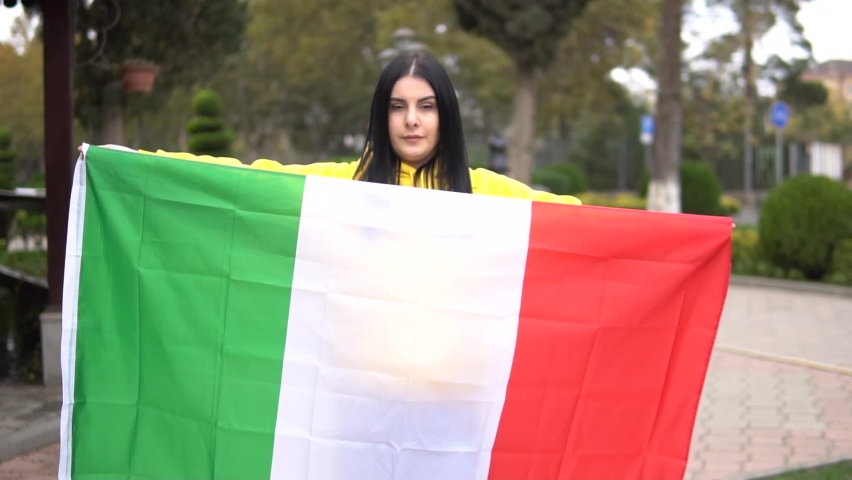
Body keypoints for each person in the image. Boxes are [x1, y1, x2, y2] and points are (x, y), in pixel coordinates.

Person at [91, 51, 581, 206]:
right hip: (360, 393)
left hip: (458, 397)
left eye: (426, 106)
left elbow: (583, 226)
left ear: (445, 116)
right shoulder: (345, 185)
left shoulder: (484, 192)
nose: (412, 119)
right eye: (398, 107)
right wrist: (133, 162)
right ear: (381, 116)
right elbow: (242, 179)